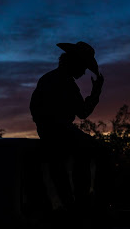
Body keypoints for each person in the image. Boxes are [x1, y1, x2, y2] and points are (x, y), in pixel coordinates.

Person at [29, 41, 104, 213]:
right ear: (74, 63)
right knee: (94, 151)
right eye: (83, 66)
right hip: (57, 131)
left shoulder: (51, 79)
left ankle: (75, 202)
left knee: (63, 166)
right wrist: (96, 93)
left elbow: (35, 108)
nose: (84, 71)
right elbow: (83, 112)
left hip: (51, 130)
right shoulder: (61, 82)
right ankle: (82, 202)